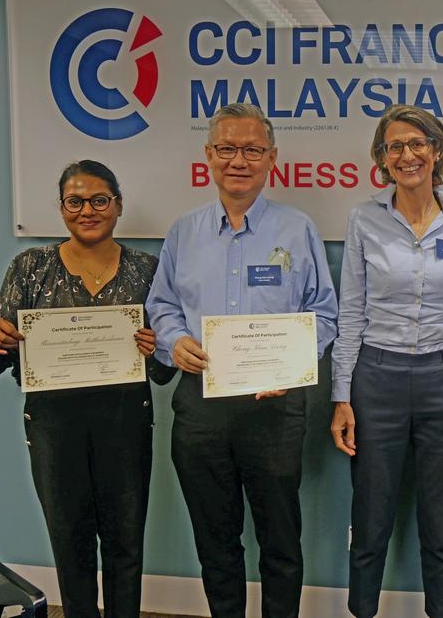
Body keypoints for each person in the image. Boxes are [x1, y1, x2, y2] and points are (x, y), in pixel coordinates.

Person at [145, 102, 338, 618]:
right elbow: (162, 305)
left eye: (252, 150)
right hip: (201, 406)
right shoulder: (184, 231)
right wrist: (174, 340)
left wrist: (291, 365)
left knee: (281, 541)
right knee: (215, 541)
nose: (239, 160)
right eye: (227, 148)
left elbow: (324, 313)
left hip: (274, 407)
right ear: (208, 155)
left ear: (271, 158)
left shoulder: (298, 230)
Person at [0, 160, 175, 618]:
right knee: (70, 542)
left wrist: (156, 348)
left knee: (126, 543)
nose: (87, 210)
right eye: (75, 201)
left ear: (118, 205)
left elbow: (163, 371)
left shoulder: (148, 270)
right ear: (61, 208)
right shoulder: (30, 267)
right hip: (54, 427)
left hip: (125, 423)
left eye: (99, 200)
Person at [329, 105, 443, 618]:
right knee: (371, 517)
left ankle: (441, 611)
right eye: (394, 146)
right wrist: (341, 395)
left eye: (417, 143)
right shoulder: (364, 219)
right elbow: (351, 312)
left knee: (441, 522)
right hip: (377, 379)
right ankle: (362, 610)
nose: (407, 155)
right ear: (382, 158)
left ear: (437, 151)